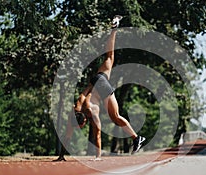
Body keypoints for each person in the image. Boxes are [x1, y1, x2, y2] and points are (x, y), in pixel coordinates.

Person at [54, 16, 146, 161]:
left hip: (100, 85)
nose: (82, 127)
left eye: (82, 126)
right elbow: (67, 135)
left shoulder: (90, 110)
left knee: (115, 116)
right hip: (97, 79)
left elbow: (95, 134)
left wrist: (98, 157)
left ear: (83, 121)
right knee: (110, 57)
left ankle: (137, 138)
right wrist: (61, 156)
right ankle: (114, 30)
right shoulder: (76, 106)